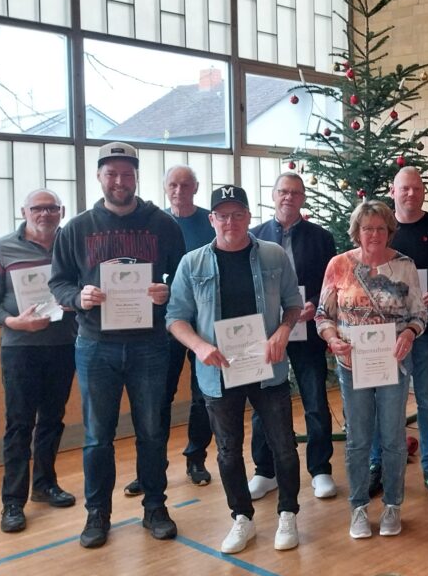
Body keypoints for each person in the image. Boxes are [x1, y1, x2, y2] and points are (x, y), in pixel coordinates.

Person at [49, 142, 186, 549]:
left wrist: (167, 292)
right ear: (99, 176)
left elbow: (182, 278)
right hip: (95, 346)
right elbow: (59, 282)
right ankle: (97, 513)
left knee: (152, 431)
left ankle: (155, 507)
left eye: (127, 174)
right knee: (97, 436)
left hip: (150, 345)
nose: (120, 181)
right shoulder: (77, 228)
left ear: (136, 177)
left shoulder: (162, 224)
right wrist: (79, 297)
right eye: (112, 173)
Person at [167, 185, 305, 554]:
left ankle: (288, 513)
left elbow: (294, 304)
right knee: (228, 450)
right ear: (211, 219)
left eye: (238, 214)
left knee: (284, 445)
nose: (231, 222)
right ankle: (242, 517)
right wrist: (200, 346)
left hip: (268, 368)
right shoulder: (192, 263)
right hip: (218, 371)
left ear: (248, 216)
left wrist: (282, 332)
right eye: (223, 215)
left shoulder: (273, 255)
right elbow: (175, 318)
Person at [316, 201, 427, 539]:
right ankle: (359, 508)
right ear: (357, 232)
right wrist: (333, 339)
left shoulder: (404, 265)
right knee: (358, 439)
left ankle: (393, 505)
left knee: (393, 437)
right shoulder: (339, 265)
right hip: (352, 366)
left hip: (393, 364)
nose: (374, 234)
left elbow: (419, 314)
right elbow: (323, 315)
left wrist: (409, 333)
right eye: (367, 228)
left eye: (380, 228)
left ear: (389, 231)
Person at [366, 166, 428, 500]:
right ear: (393, 192)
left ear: (424, 191)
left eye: (417, 188)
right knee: (382, 401)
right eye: (404, 188)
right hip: (385, 336)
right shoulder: (381, 231)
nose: (411, 193)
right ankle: (377, 464)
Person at [0, 189, 77, 533]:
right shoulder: (2, 248)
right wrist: (12, 321)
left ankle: (45, 484)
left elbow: (81, 286)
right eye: (37, 208)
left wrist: (73, 299)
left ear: (61, 211)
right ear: (24, 211)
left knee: (53, 420)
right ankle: (12, 501)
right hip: (20, 347)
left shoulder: (70, 244)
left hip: (63, 344)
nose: (45, 214)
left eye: (52, 208)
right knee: (19, 424)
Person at [123, 164, 215, 497]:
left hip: (206, 324)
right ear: (165, 188)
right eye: (173, 185)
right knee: (158, 397)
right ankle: (151, 468)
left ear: (196, 187)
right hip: (165, 324)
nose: (179, 191)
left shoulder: (210, 222)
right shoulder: (154, 225)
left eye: (186, 185)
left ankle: (196, 458)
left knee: (203, 396)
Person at [250, 172, 338, 501]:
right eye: (283, 191)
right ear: (274, 195)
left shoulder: (321, 237)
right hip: (267, 332)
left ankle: (320, 469)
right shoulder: (254, 236)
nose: (289, 197)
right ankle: (265, 471)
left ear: (303, 198)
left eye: (296, 193)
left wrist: (314, 301)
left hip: (307, 329)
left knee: (314, 400)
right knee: (263, 403)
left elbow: (331, 283)